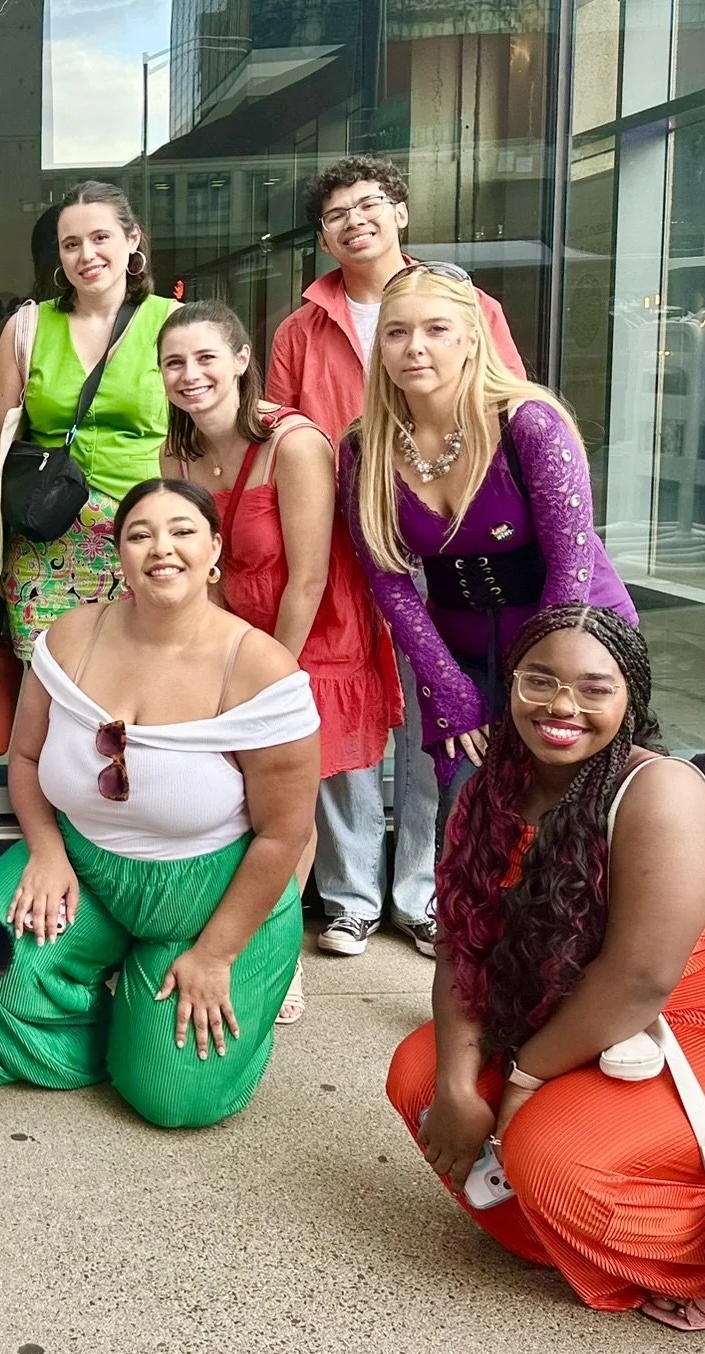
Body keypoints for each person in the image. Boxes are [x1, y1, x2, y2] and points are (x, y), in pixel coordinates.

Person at [386, 604, 705, 1327]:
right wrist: (455, 1085)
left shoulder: (661, 791)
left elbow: (639, 979)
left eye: (594, 689)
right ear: (511, 683)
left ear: (630, 697)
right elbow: (461, 945)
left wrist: (518, 1088)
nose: (562, 706)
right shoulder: (486, 790)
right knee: (421, 1075)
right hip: (581, 1023)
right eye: (540, 680)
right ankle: (575, 1236)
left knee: (543, 1152)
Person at [0, 478, 319, 1129]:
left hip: (210, 899)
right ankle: (124, 1028)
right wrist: (47, 852)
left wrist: (216, 954)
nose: (161, 548)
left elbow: (284, 835)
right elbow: (26, 759)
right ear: (119, 552)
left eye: (182, 532)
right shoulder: (70, 637)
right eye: (140, 534)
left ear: (214, 550)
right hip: (87, 870)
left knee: (174, 1100)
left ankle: (177, 1019)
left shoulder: (262, 668)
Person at [267, 156, 525, 958]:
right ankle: (349, 896)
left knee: (431, 714)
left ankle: (421, 891)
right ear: (323, 236)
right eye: (337, 213)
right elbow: (279, 430)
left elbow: (508, 410)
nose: (356, 221)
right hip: (340, 547)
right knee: (340, 712)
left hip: (440, 538)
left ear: (400, 213)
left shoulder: (469, 307)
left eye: (369, 204)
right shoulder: (300, 328)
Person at [158, 300, 401, 1023]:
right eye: (174, 363)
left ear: (242, 359)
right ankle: (228, 929)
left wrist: (271, 681)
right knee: (236, 799)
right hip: (232, 639)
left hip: (308, 642)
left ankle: (277, 953)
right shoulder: (176, 455)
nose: (191, 374)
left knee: (289, 806)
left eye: (206, 357)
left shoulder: (294, 444)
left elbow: (309, 579)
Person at [344, 266, 634, 826]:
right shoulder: (363, 448)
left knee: (573, 815)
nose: (415, 347)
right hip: (462, 654)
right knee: (468, 808)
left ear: (472, 338)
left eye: (437, 329)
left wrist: (537, 682)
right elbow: (388, 581)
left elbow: (570, 570)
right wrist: (447, 687)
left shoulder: (530, 425)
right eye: (397, 332)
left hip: (576, 641)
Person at [0, 181, 176, 657]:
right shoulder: (26, 327)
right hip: (44, 543)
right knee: (49, 686)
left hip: (146, 540)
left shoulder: (174, 323)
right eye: (71, 244)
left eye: (100, 238)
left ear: (132, 239)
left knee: (139, 683)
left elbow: (209, 431)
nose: (86, 255)